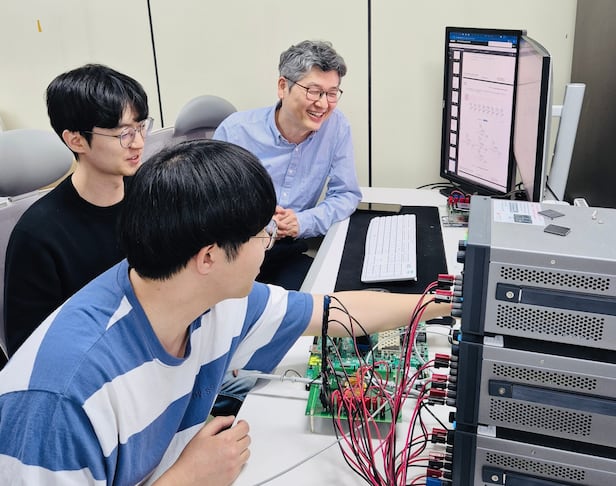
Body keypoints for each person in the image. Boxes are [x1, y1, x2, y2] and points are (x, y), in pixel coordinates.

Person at [0, 139, 449, 485]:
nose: (268, 245)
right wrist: (187, 477)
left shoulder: (208, 297)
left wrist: (446, 302)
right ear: (209, 257)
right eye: (262, 236)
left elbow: (331, 310)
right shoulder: (61, 402)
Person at [3, 64, 152, 356]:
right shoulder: (38, 235)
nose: (138, 142)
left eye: (141, 126)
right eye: (124, 133)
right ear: (76, 140)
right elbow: (30, 349)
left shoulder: (150, 194)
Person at [213, 40, 362, 291]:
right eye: (314, 91)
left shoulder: (336, 127)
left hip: (288, 251)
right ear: (283, 87)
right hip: (236, 253)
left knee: (326, 300)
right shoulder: (235, 132)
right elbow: (212, 205)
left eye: (332, 93)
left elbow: (346, 194)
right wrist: (260, 221)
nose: (323, 104)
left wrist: (303, 222)